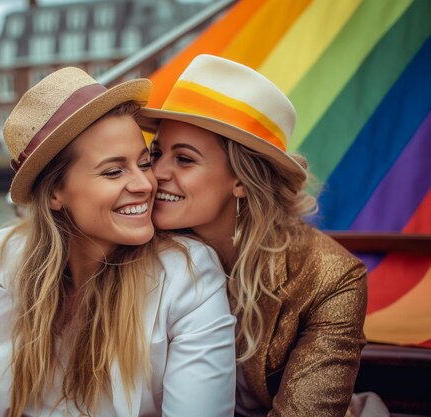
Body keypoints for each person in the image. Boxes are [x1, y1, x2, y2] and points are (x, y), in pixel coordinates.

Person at [0, 66, 236, 417]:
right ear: (54, 193)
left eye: (144, 162)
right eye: (114, 171)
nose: (145, 184)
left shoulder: (188, 274)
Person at [137, 55, 368, 416]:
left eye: (184, 159)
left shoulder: (331, 278)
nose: (157, 173)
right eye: (156, 153)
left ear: (241, 179)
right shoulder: (136, 240)